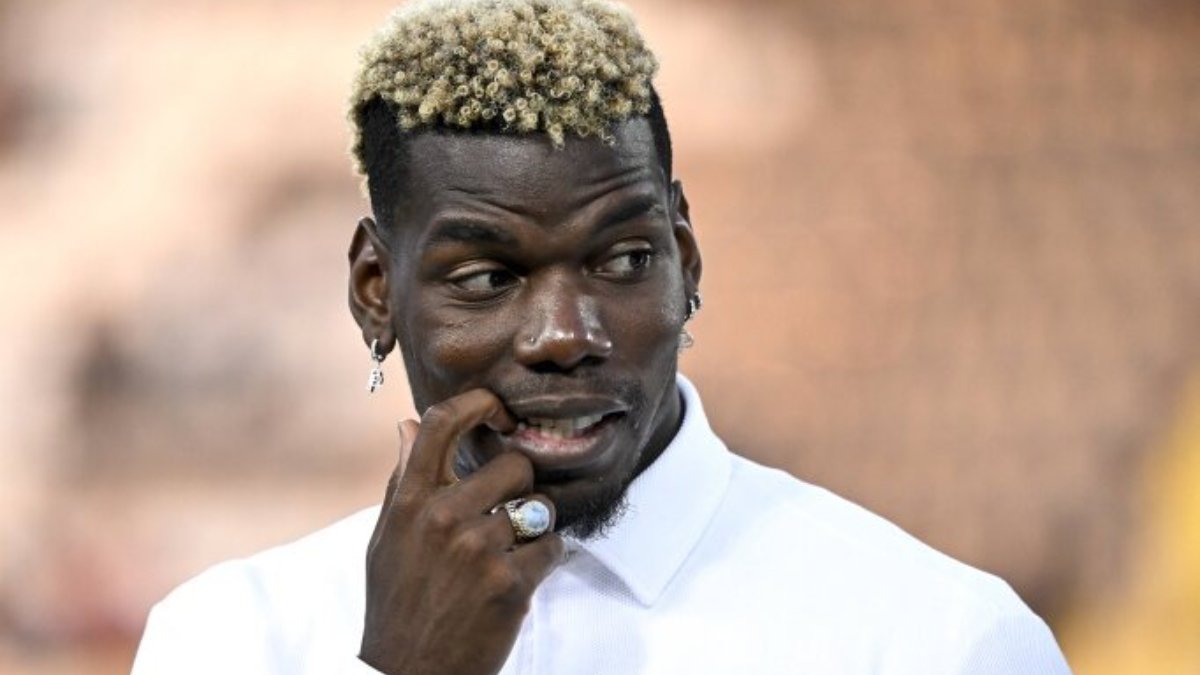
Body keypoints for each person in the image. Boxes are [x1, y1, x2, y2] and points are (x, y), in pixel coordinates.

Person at [130, 0, 1073, 673]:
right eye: (487, 277)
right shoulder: (227, 638)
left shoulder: (938, 639)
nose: (565, 335)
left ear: (686, 261)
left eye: (623, 259)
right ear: (376, 291)